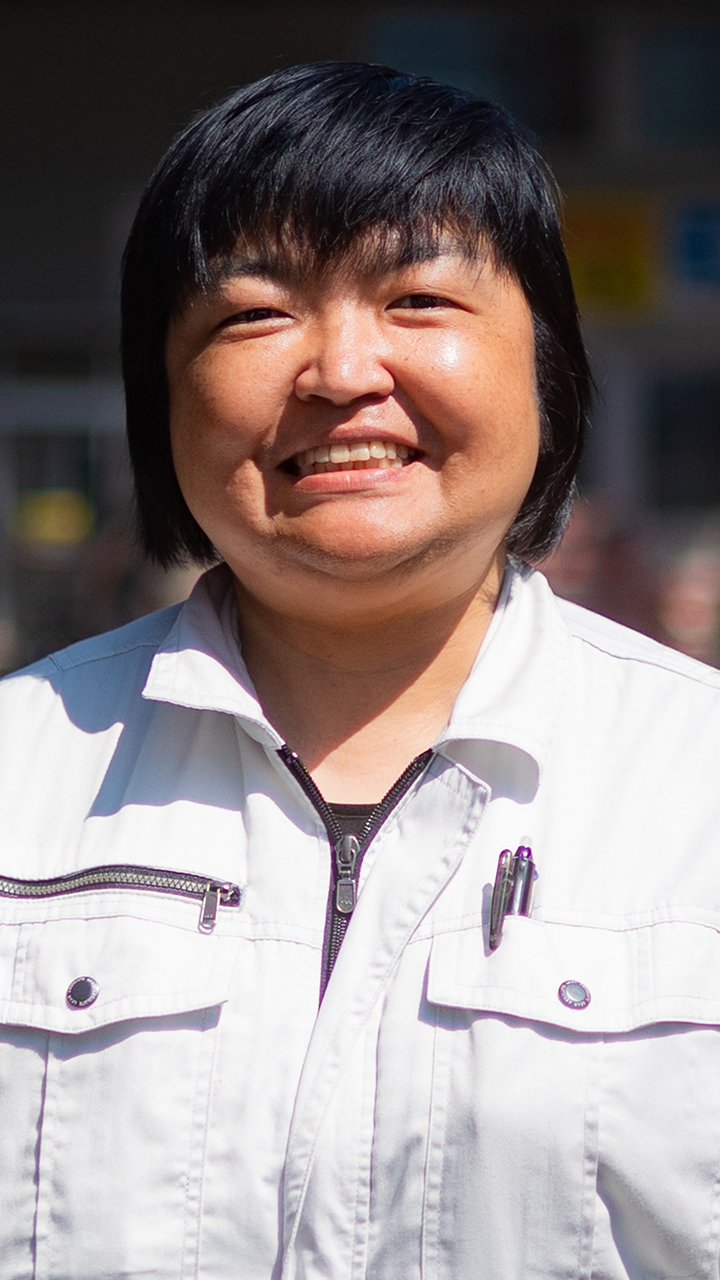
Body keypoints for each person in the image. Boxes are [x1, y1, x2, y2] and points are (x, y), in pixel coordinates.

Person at [1, 61, 719, 1280]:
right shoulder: (22, 775)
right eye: (255, 314)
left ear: (545, 367)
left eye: (419, 298)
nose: (341, 372)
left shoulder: (697, 787)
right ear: (161, 395)